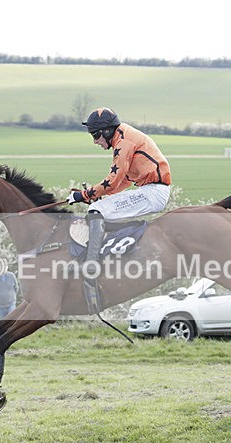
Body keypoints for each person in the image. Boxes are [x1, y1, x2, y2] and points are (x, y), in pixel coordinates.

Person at [66, 107, 172, 312]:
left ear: (106, 131)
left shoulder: (124, 142)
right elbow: (122, 182)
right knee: (98, 208)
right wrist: (95, 196)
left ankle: (91, 266)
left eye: (95, 135)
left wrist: (84, 195)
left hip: (153, 192)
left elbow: (113, 180)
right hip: (151, 189)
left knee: (96, 211)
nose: (95, 141)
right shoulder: (123, 136)